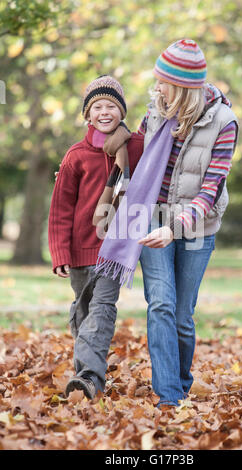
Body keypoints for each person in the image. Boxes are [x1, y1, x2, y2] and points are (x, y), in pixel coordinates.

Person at [135, 39, 239, 407]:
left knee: (181, 315)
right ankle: (169, 398)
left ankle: (178, 382)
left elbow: (210, 189)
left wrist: (174, 227)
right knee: (160, 303)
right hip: (152, 218)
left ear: (182, 86)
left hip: (197, 227)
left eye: (163, 81)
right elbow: (135, 159)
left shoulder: (224, 123)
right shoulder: (155, 112)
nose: (157, 87)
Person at [48, 75, 144, 399]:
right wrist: (60, 252)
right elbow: (60, 208)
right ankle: (85, 371)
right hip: (80, 247)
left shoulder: (134, 148)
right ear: (88, 115)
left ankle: (89, 378)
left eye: (112, 106)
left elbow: (158, 152)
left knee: (103, 306)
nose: (105, 112)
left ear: (122, 111)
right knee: (83, 309)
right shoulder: (76, 155)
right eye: (98, 107)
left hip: (113, 248)